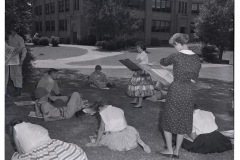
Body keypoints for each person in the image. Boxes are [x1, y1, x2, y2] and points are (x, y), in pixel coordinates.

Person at [157, 33, 201, 159]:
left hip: (176, 90)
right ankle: (177, 152)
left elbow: (163, 62)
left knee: (167, 119)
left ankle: (170, 150)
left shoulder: (176, 55)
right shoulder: (197, 59)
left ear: (178, 43)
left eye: (174, 45)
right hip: (189, 91)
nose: (174, 48)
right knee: (183, 119)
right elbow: (193, 79)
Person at [86, 98, 151, 153]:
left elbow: (101, 129)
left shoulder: (103, 113)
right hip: (128, 136)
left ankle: (98, 141)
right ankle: (143, 144)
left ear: (100, 108)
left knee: (100, 136)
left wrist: (96, 144)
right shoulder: (119, 110)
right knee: (130, 131)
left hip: (116, 139)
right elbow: (125, 125)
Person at [9, 118, 88, 160]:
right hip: (51, 143)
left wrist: (21, 152)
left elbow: (19, 150)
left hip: (36, 148)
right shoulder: (33, 126)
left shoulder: (16, 128)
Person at [126, 41, 154, 108]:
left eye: (138, 47)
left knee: (140, 87)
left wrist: (129, 61)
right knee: (136, 86)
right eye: (137, 47)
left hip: (142, 73)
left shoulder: (144, 54)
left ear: (141, 47)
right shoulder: (139, 54)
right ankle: (135, 100)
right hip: (138, 71)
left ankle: (140, 103)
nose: (137, 48)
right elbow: (137, 63)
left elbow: (138, 62)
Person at [8, 26, 27, 96]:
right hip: (11, 58)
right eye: (12, 30)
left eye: (14, 30)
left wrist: (22, 59)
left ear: (16, 31)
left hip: (18, 58)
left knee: (18, 74)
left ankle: (18, 89)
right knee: (12, 74)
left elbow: (23, 49)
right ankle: (15, 87)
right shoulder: (10, 37)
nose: (12, 32)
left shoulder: (20, 38)